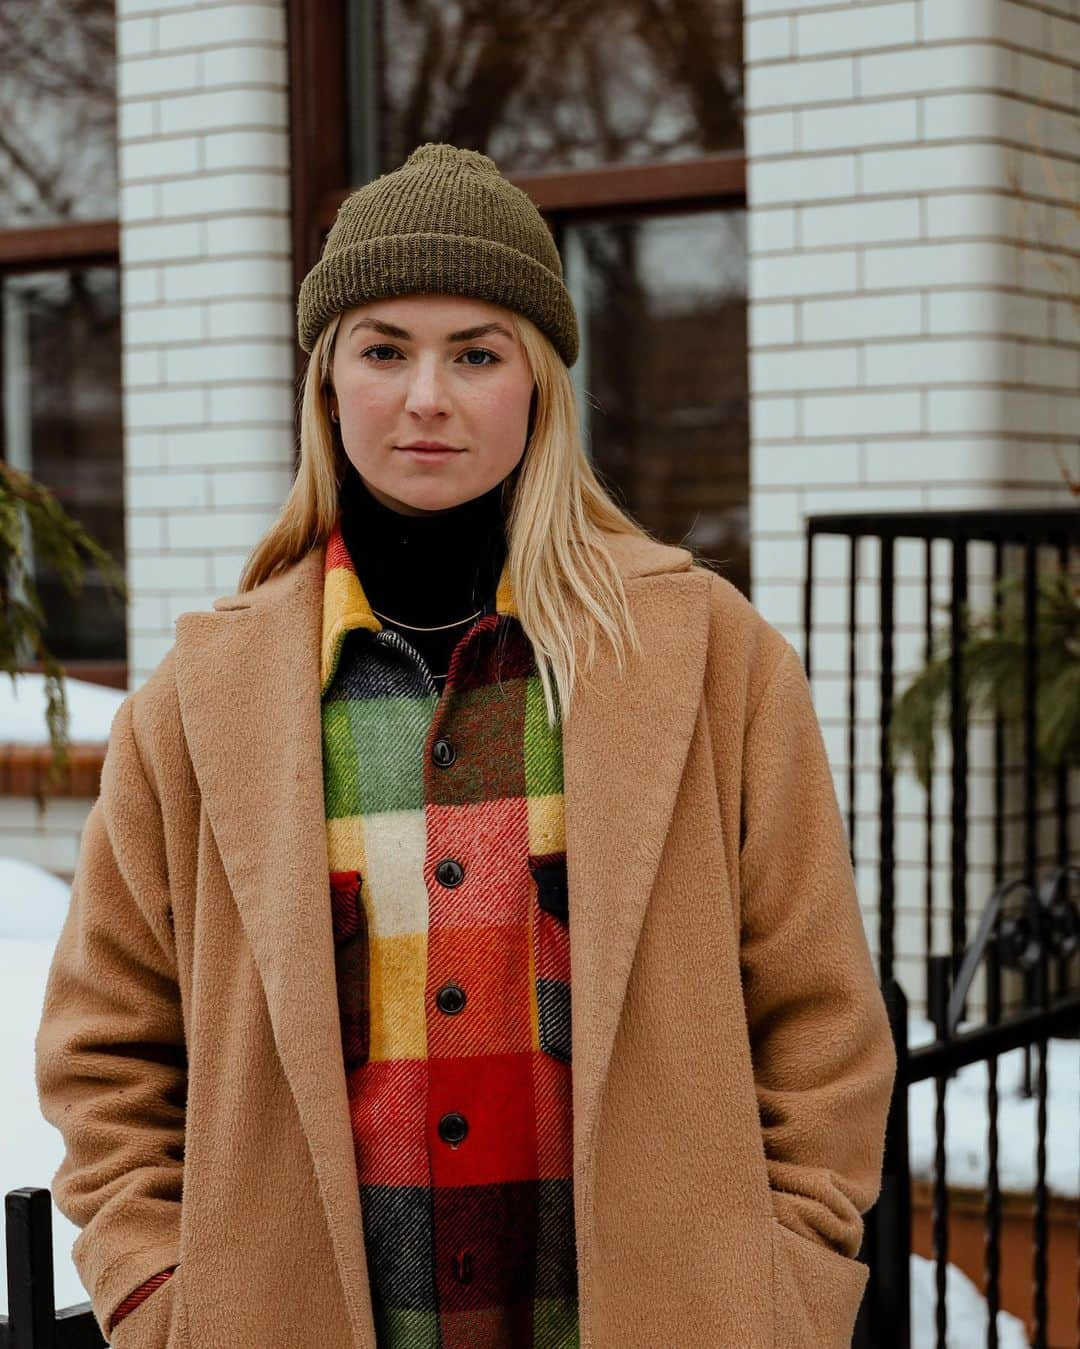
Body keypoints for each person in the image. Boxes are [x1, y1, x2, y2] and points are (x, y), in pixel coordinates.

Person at [34, 142, 897, 1348]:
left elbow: (822, 1025)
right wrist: (164, 1297)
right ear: (328, 380)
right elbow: (105, 1052)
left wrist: (784, 1283)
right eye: (383, 348)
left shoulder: (712, 663)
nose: (425, 395)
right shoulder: (197, 704)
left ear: (537, 383)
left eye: (476, 353)